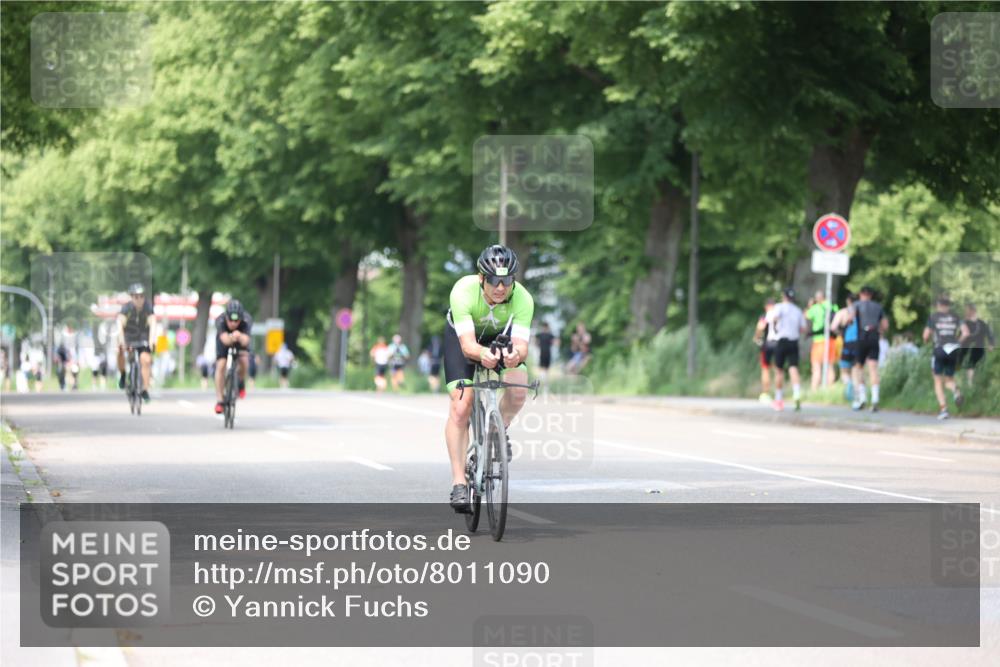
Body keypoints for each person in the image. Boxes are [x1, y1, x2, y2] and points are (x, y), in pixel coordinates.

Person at [444, 244, 533, 512]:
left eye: (507, 281)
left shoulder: (524, 299)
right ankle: (459, 483)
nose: (501, 287)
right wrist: (483, 354)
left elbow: (522, 346)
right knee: (462, 405)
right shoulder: (463, 291)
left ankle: (497, 431)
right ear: (481, 278)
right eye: (494, 280)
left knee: (518, 388)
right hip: (465, 339)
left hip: (500, 340)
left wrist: (514, 355)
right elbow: (469, 346)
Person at [923, 296, 967, 420]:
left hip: (939, 349)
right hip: (953, 350)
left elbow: (926, 335)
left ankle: (944, 410)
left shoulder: (934, 317)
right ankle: (956, 391)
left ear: (938, 305)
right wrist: (958, 342)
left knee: (937, 381)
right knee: (949, 379)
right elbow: (966, 332)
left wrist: (926, 340)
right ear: (948, 305)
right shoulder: (956, 316)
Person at [766, 288, 808, 411]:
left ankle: (779, 399)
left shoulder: (779, 307)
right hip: (794, 341)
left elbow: (771, 319)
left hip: (781, 340)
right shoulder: (798, 310)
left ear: (784, 296)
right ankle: (796, 394)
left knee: (779, 370)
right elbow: (803, 329)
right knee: (793, 368)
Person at [850, 286, 889, 412]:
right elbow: (885, 325)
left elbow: (850, 318)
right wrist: (879, 331)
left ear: (861, 294)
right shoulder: (878, 307)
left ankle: (862, 398)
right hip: (874, 337)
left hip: (861, 337)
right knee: (873, 368)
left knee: (858, 368)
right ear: (871, 295)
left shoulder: (857, 304)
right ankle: (875, 399)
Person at [116, 283, 155, 403]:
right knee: (120, 351)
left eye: (141, 296)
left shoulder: (148, 307)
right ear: (132, 297)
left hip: (143, 337)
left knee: (146, 360)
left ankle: (144, 390)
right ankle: (123, 374)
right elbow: (120, 324)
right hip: (129, 337)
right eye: (136, 297)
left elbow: (153, 323)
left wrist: (152, 340)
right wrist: (122, 341)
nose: (139, 299)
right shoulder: (126, 308)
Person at [213, 299, 253, 414]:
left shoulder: (247, 320)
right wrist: (231, 337)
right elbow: (225, 340)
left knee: (244, 361)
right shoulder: (220, 320)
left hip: (240, 339)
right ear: (226, 317)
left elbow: (246, 341)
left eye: (237, 321)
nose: (234, 323)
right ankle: (220, 400)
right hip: (224, 340)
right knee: (221, 365)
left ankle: (240, 382)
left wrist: (239, 335)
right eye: (230, 320)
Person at [805, 290, 838, 390]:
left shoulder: (815, 308)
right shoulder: (833, 306)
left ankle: (814, 389)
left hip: (819, 341)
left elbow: (806, 315)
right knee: (829, 366)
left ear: (818, 298)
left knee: (816, 366)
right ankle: (830, 389)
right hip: (831, 340)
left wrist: (810, 305)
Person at [831, 292, 858, 402]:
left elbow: (833, 327)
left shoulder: (843, 312)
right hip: (858, 343)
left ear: (847, 301)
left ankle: (849, 384)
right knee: (856, 369)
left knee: (844, 370)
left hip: (845, 343)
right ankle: (857, 395)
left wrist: (840, 333)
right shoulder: (860, 312)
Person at [960, 303, 995, 385]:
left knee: (973, 365)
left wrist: (991, 344)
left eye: (967, 310)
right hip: (965, 348)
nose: (966, 312)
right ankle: (968, 383)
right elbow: (959, 336)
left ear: (973, 311)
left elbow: (990, 334)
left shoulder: (982, 323)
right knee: (966, 365)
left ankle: (972, 384)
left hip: (978, 348)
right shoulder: (964, 323)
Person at [753, 298, 778, 403]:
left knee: (765, 369)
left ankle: (765, 394)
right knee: (778, 369)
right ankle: (778, 394)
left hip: (768, 344)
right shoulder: (779, 315)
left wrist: (757, 337)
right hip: (779, 344)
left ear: (766, 306)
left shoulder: (766, 315)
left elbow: (760, 327)